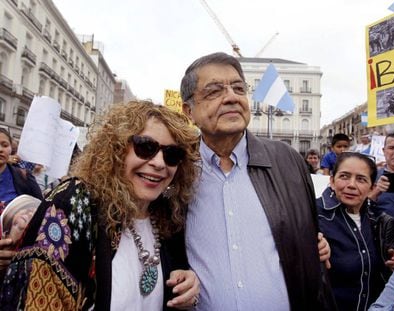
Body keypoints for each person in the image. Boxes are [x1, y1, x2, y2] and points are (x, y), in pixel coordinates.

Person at [0, 101, 200, 310]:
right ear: (116, 149)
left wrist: (188, 288)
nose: (159, 163)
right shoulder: (75, 203)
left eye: (172, 155)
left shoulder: (169, 216)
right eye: (146, 147)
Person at [180, 52, 336, 310]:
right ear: (189, 110)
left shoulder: (288, 161)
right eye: (214, 91)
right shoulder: (175, 169)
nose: (231, 97)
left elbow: (309, 239)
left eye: (238, 88)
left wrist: (310, 245)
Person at [317, 152, 394, 311]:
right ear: (332, 181)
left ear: (372, 187)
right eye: (344, 176)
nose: (351, 185)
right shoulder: (311, 215)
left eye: (361, 179)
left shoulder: (378, 219)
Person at [0, 128, 42, 209]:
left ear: (11, 149)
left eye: (5, 145)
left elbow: (40, 206)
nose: (0, 149)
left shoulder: (24, 176)